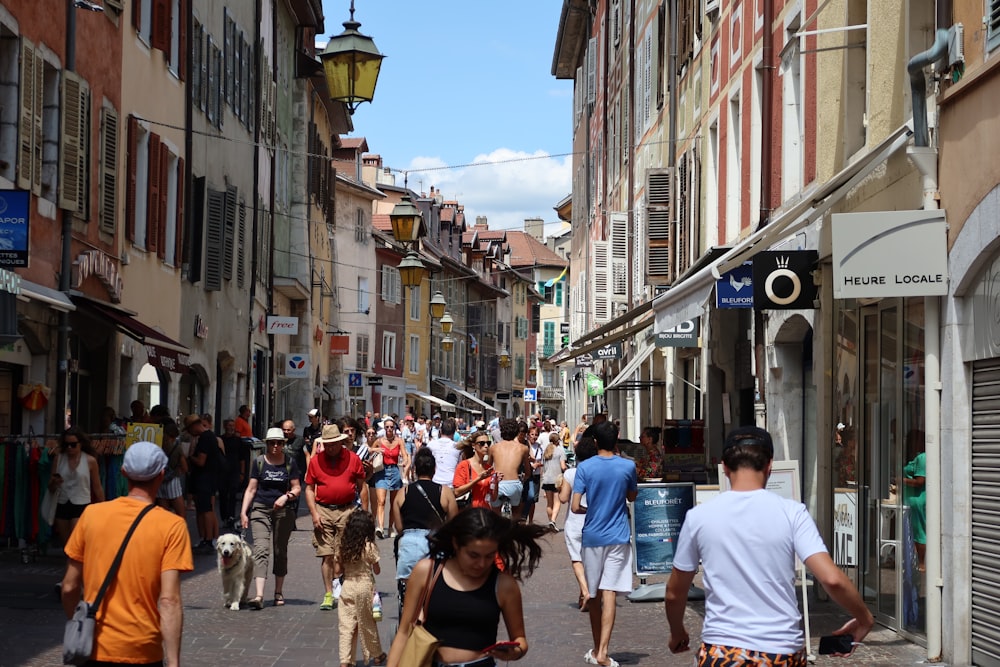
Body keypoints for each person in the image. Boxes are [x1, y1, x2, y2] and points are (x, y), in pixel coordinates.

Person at [665, 425, 875, 665]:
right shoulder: (793, 513)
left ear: (724, 467)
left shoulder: (699, 517)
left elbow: (674, 592)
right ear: (769, 466)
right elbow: (832, 579)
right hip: (780, 652)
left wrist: (677, 631)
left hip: (723, 651)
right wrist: (864, 618)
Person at [61, 441, 193, 666]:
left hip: (94, 646)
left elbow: (69, 586)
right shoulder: (172, 526)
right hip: (143, 649)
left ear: (123, 473)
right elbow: (169, 600)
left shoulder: (91, 515)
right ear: (161, 475)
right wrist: (173, 662)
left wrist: (79, 622)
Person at [385, 508, 546, 667]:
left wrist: (515, 651)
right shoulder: (426, 572)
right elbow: (404, 632)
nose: (481, 564)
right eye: (473, 555)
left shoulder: (504, 585)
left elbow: (520, 640)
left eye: (490, 555)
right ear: (456, 544)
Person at [571, 421, 638, 667]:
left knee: (594, 593)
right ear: (617, 440)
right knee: (609, 591)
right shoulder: (628, 466)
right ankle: (603, 651)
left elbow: (575, 506)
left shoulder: (585, 467)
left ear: (595, 442)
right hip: (618, 535)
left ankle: (597, 645)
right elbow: (632, 496)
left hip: (592, 535)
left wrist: (593, 510)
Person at [304, 423, 367, 610]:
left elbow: (362, 486)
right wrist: (314, 513)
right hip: (323, 510)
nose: (330, 447)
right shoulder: (316, 461)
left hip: (347, 510)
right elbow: (308, 489)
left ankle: (341, 582)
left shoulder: (353, 459)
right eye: (327, 444)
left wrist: (363, 512)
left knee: (343, 554)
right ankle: (329, 593)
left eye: (334, 444)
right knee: (327, 554)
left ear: (340, 442)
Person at [241, 427, 302, 609]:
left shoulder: (290, 462)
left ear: (283, 444)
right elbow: (251, 489)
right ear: (266, 444)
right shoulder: (259, 462)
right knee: (261, 549)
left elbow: (297, 488)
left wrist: (286, 497)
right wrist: (244, 512)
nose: (275, 446)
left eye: (279, 443)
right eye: (272, 443)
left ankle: (278, 591)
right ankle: (259, 595)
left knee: (279, 550)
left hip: (283, 512)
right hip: (260, 508)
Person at [390, 447, 459, 609]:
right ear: (434, 469)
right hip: (434, 548)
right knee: (435, 596)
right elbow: (454, 525)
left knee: (409, 598)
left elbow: (399, 527)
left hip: (409, 549)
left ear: (414, 470)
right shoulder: (445, 492)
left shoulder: (403, 493)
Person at [338, 510, 387, 667]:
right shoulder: (369, 546)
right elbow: (377, 570)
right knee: (367, 622)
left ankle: (345, 660)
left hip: (348, 586)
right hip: (365, 586)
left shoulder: (344, 546)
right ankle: (377, 654)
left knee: (346, 627)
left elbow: (338, 571)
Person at [49, 427, 105, 545]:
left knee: (76, 541)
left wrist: (103, 508)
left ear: (81, 444)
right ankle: (71, 562)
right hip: (62, 502)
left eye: (73, 444)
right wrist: (54, 482)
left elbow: (97, 486)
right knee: (66, 544)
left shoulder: (90, 461)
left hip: (81, 503)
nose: (69, 447)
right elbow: (50, 487)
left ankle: (77, 562)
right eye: (67, 444)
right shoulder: (58, 459)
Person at [560, 436, 598, 611]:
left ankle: (585, 590)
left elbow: (563, 498)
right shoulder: (598, 473)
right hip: (595, 521)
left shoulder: (570, 473)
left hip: (575, 522)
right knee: (591, 560)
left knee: (577, 559)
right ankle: (585, 593)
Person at [185, 413, 223, 553]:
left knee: (206, 509)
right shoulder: (207, 437)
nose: (190, 433)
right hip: (206, 479)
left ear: (195, 426)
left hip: (205, 480)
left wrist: (189, 457)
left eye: (189, 429)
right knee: (203, 509)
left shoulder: (206, 438)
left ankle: (208, 539)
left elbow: (201, 461)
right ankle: (205, 539)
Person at [369, 417, 410, 539]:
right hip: (382, 471)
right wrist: (377, 449)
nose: (389, 429)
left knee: (393, 502)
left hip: (395, 471)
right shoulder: (380, 441)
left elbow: (405, 455)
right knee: (381, 501)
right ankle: (380, 527)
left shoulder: (399, 441)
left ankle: (391, 527)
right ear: (384, 428)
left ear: (395, 428)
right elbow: (370, 450)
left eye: (391, 427)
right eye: (387, 427)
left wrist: (405, 462)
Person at [490, 418, 532, 520]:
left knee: (495, 513)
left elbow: (488, 467)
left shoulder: (494, 448)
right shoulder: (523, 448)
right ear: (516, 432)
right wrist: (523, 479)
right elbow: (527, 471)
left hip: (499, 483)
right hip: (514, 483)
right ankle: (514, 529)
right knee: (516, 511)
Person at [902, 429, 927, 572]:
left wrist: (901, 480)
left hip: (918, 500)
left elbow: (920, 481)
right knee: (914, 531)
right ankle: (915, 559)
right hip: (911, 499)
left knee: (919, 533)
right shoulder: (916, 457)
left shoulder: (923, 457)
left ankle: (922, 563)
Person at [453, 433, 498, 510]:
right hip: (469, 511)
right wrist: (478, 479)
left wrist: (496, 482)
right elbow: (457, 492)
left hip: (485, 511)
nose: (486, 446)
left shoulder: (489, 468)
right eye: (482, 443)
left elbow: (493, 497)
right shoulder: (464, 465)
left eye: (488, 443)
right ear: (473, 445)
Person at [156, 418, 188, 517]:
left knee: (163, 513)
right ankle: (179, 530)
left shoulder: (157, 445)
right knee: (180, 513)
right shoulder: (177, 448)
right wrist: (178, 472)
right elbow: (185, 467)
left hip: (159, 479)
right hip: (173, 480)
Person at [219, 418, 246, 529]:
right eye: (228, 425)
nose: (230, 428)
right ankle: (224, 517)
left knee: (233, 494)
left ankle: (231, 516)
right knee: (223, 495)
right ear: (225, 426)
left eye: (232, 425)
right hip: (222, 471)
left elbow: (242, 458)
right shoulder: (220, 439)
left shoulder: (238, 441)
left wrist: (242, 473)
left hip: (234, 471)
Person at [425, 417, 462, 488]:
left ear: (441, 431)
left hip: (434, 481)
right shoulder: (457, 447)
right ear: (454, 433)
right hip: (450, 483)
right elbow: (459, 466)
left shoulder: (431, 445)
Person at [541, 431, 568, 530]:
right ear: (558, 441)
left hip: (547, 479)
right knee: (557, 502)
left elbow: (543, 467)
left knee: (549, 503)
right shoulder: (560, 451)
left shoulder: (546, 451)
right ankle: (553, 520)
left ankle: (551, 521)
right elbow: (563, 466)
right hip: (556, 479)